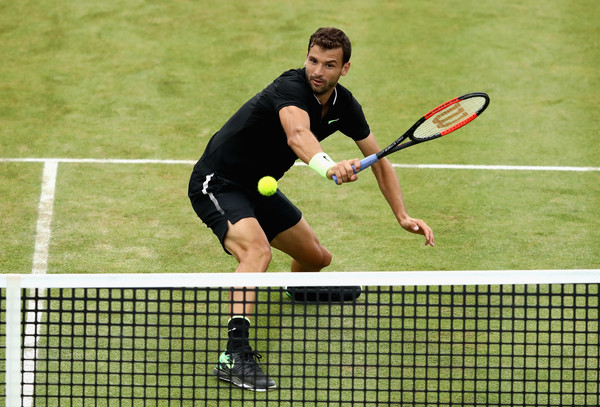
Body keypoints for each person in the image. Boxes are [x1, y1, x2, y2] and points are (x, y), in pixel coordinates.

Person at [188, 27, 434, 391]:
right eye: (313, 60)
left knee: (318, 258)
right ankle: (233, 356)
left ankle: (298, 287)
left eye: (329, 64)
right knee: (256, 251)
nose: (317, 71)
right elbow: (297, 135)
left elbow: (379, 160)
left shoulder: (345, 106)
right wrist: (328, 165)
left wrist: (402, 215)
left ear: (344, 68)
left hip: (259, 187)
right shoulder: (290, 88)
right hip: (219, 182)